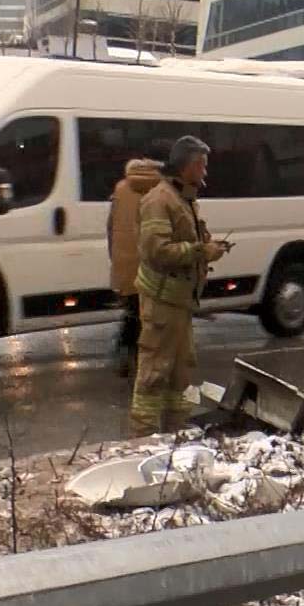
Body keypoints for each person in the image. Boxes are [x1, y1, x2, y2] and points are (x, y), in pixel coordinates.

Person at [130, 135, 230, 436]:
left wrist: (208, 245)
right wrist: (202, 252)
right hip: (162, 303)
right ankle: (142, 438)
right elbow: (157, 251)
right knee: (154, 372)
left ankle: (176, 432)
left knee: (180, 372)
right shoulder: (160, 200)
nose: (204, 172)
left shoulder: (184, 199)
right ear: (186, 166)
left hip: (180, 302)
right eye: (201, 165)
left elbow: (187, 239)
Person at [106, 155, 163, 377]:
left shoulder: (120, 189)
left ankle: (124, 351)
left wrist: (116, 258)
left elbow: (110, 229)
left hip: (124, 265)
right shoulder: (163, 191)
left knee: (132, 312)